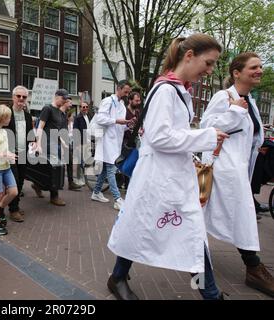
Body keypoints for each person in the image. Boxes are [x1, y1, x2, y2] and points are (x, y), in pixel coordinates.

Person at [107, 33, 229, 300]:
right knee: (179, 232)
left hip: (169, 175)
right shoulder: (166, 90)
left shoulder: (175, 89)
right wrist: (206, 136)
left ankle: (208, 292)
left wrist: (196, 146)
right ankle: (209, 293)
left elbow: (169, 135)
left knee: (178, 231)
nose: (209, 71)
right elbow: (160, 136)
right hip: (160, 177)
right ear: (189, 56)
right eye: (208, 63)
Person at [200, 52, 274, 297]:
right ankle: (253, 267)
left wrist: (258, 144)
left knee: (206, 215)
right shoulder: (225, 96)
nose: (260, 70)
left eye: (261, 67)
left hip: (238, 169)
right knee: (241, 218)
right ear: (236, 72)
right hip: (223, 171)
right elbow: (206, 128)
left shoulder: (249, 100)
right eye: (254, 67)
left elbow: (247, 132)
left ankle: (251, 266)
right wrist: (234, 112)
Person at [91, 80, 133, 210]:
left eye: (128, 92)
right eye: (125, 91)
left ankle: (96, 192)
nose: (127, 94)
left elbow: (119, 127)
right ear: (119, 88)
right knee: (111, 168)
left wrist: (128, 125)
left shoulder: (121, 105)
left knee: (105, 169)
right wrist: (117, 121)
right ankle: (117, 199)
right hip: (106, 141)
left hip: (115, 142)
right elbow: (100, 119)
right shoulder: (108, 101)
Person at [2, 85, 34, 222]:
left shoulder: (27, 116)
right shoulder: (7, 113)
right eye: (18, 96)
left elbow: (30, 133)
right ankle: (13, 210)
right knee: (13, 182)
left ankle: (14, 205)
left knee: (21, 181)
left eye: (24, 97)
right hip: (9, 154)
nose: (21, 99)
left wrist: (34, 142)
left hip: (23, 153)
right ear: (13, 97)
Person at [33, 89, 70, 206]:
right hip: (46, 144)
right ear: (56, 96)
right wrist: (38, 144)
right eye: (63, 98)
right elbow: (40, 127)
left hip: (56, 145)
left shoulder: (59, 112)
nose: (65, 101)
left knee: (55, 169)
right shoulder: (47, 108)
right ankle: (53, 196)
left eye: (66, 99)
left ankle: (39, 186)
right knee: (50, 169)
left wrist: (63, 142)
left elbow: (57, 130)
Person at [0, 104, 19, 235]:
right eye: (8, 117)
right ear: (2, 118)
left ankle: (1, 209)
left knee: (13, 192)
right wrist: (5, 155)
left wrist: (10, 155)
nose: (10, 119)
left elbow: (4, 149)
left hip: (6, 167)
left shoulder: (3, 131)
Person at [117, 92, 142, 190]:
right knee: (123, 162)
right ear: (130, 100)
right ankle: (119, 180)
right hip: (124, 140)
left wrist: (140, 130)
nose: (138, 102)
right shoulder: (124, 111)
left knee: (132, 163)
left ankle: (128, 186)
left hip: (134, 140)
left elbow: (138, 125)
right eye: (136, 100)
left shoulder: (137, 112)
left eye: (139, 100)